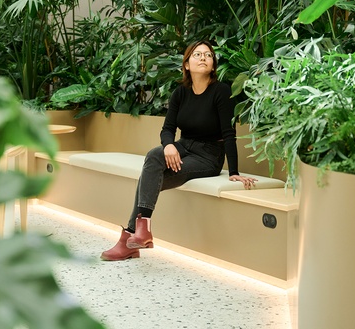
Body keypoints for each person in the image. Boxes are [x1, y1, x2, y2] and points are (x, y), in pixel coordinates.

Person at [101, 40, 257, 261]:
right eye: (197, 54)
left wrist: (234, 172)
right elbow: (167, 129)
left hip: (208, 155)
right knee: (154, 156)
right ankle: (141, 232)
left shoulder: (221, 92)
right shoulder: (180, 93)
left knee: (147, 178)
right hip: (184, 146)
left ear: (213, 65)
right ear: (186, 64)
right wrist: (170, 145)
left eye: (208, 55)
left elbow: (229, 134)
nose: (203, 58)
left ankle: (128, 238)